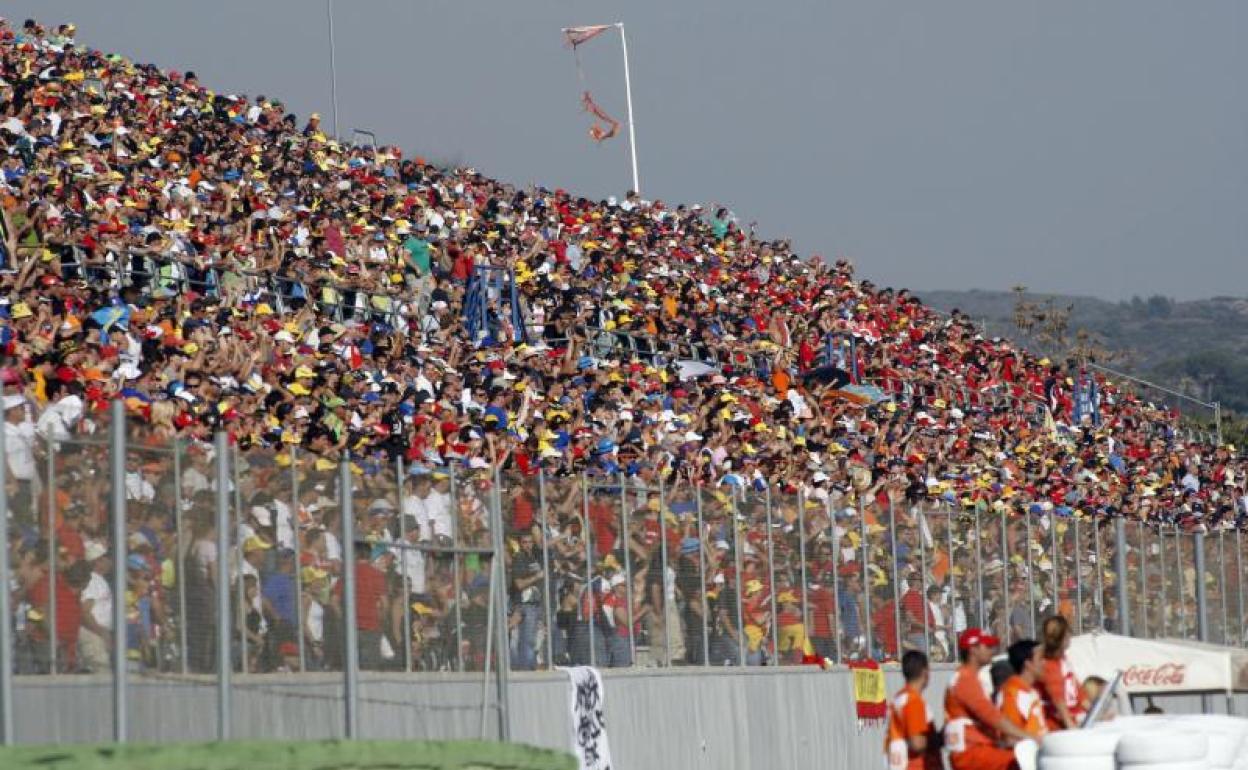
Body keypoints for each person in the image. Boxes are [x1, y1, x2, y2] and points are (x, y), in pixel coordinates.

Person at [943, 627, 1032, 770]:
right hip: (971, 752)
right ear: (973, 650)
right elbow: (991, 716)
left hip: (977, 749)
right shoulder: (965, 680)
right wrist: (1029, 736)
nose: (992, 650)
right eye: (988, 646)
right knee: (1021, 761)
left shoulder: (968, 678)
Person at [885, 650, 942, 770]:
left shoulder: (900, 698)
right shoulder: (913, 701)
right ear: (925, 672)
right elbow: (917, 743)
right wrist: (941, 738)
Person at [1037, 615, 1087, 730]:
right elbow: (1058, 699)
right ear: (1063, 638)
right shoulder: (1049, 664)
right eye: (1068, 633)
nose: (1070, 636)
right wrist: (1070, 725)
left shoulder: (1062, 659)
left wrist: (1096, 711)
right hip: (1058, 723)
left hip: (1076, 715)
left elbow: (1079, 693)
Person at [998, 640, 1047, 740]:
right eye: (1041, 659)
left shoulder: (1031, 690)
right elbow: (1010, 739)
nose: (1045, 662)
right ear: (1028, 664)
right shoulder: (1012, 695)